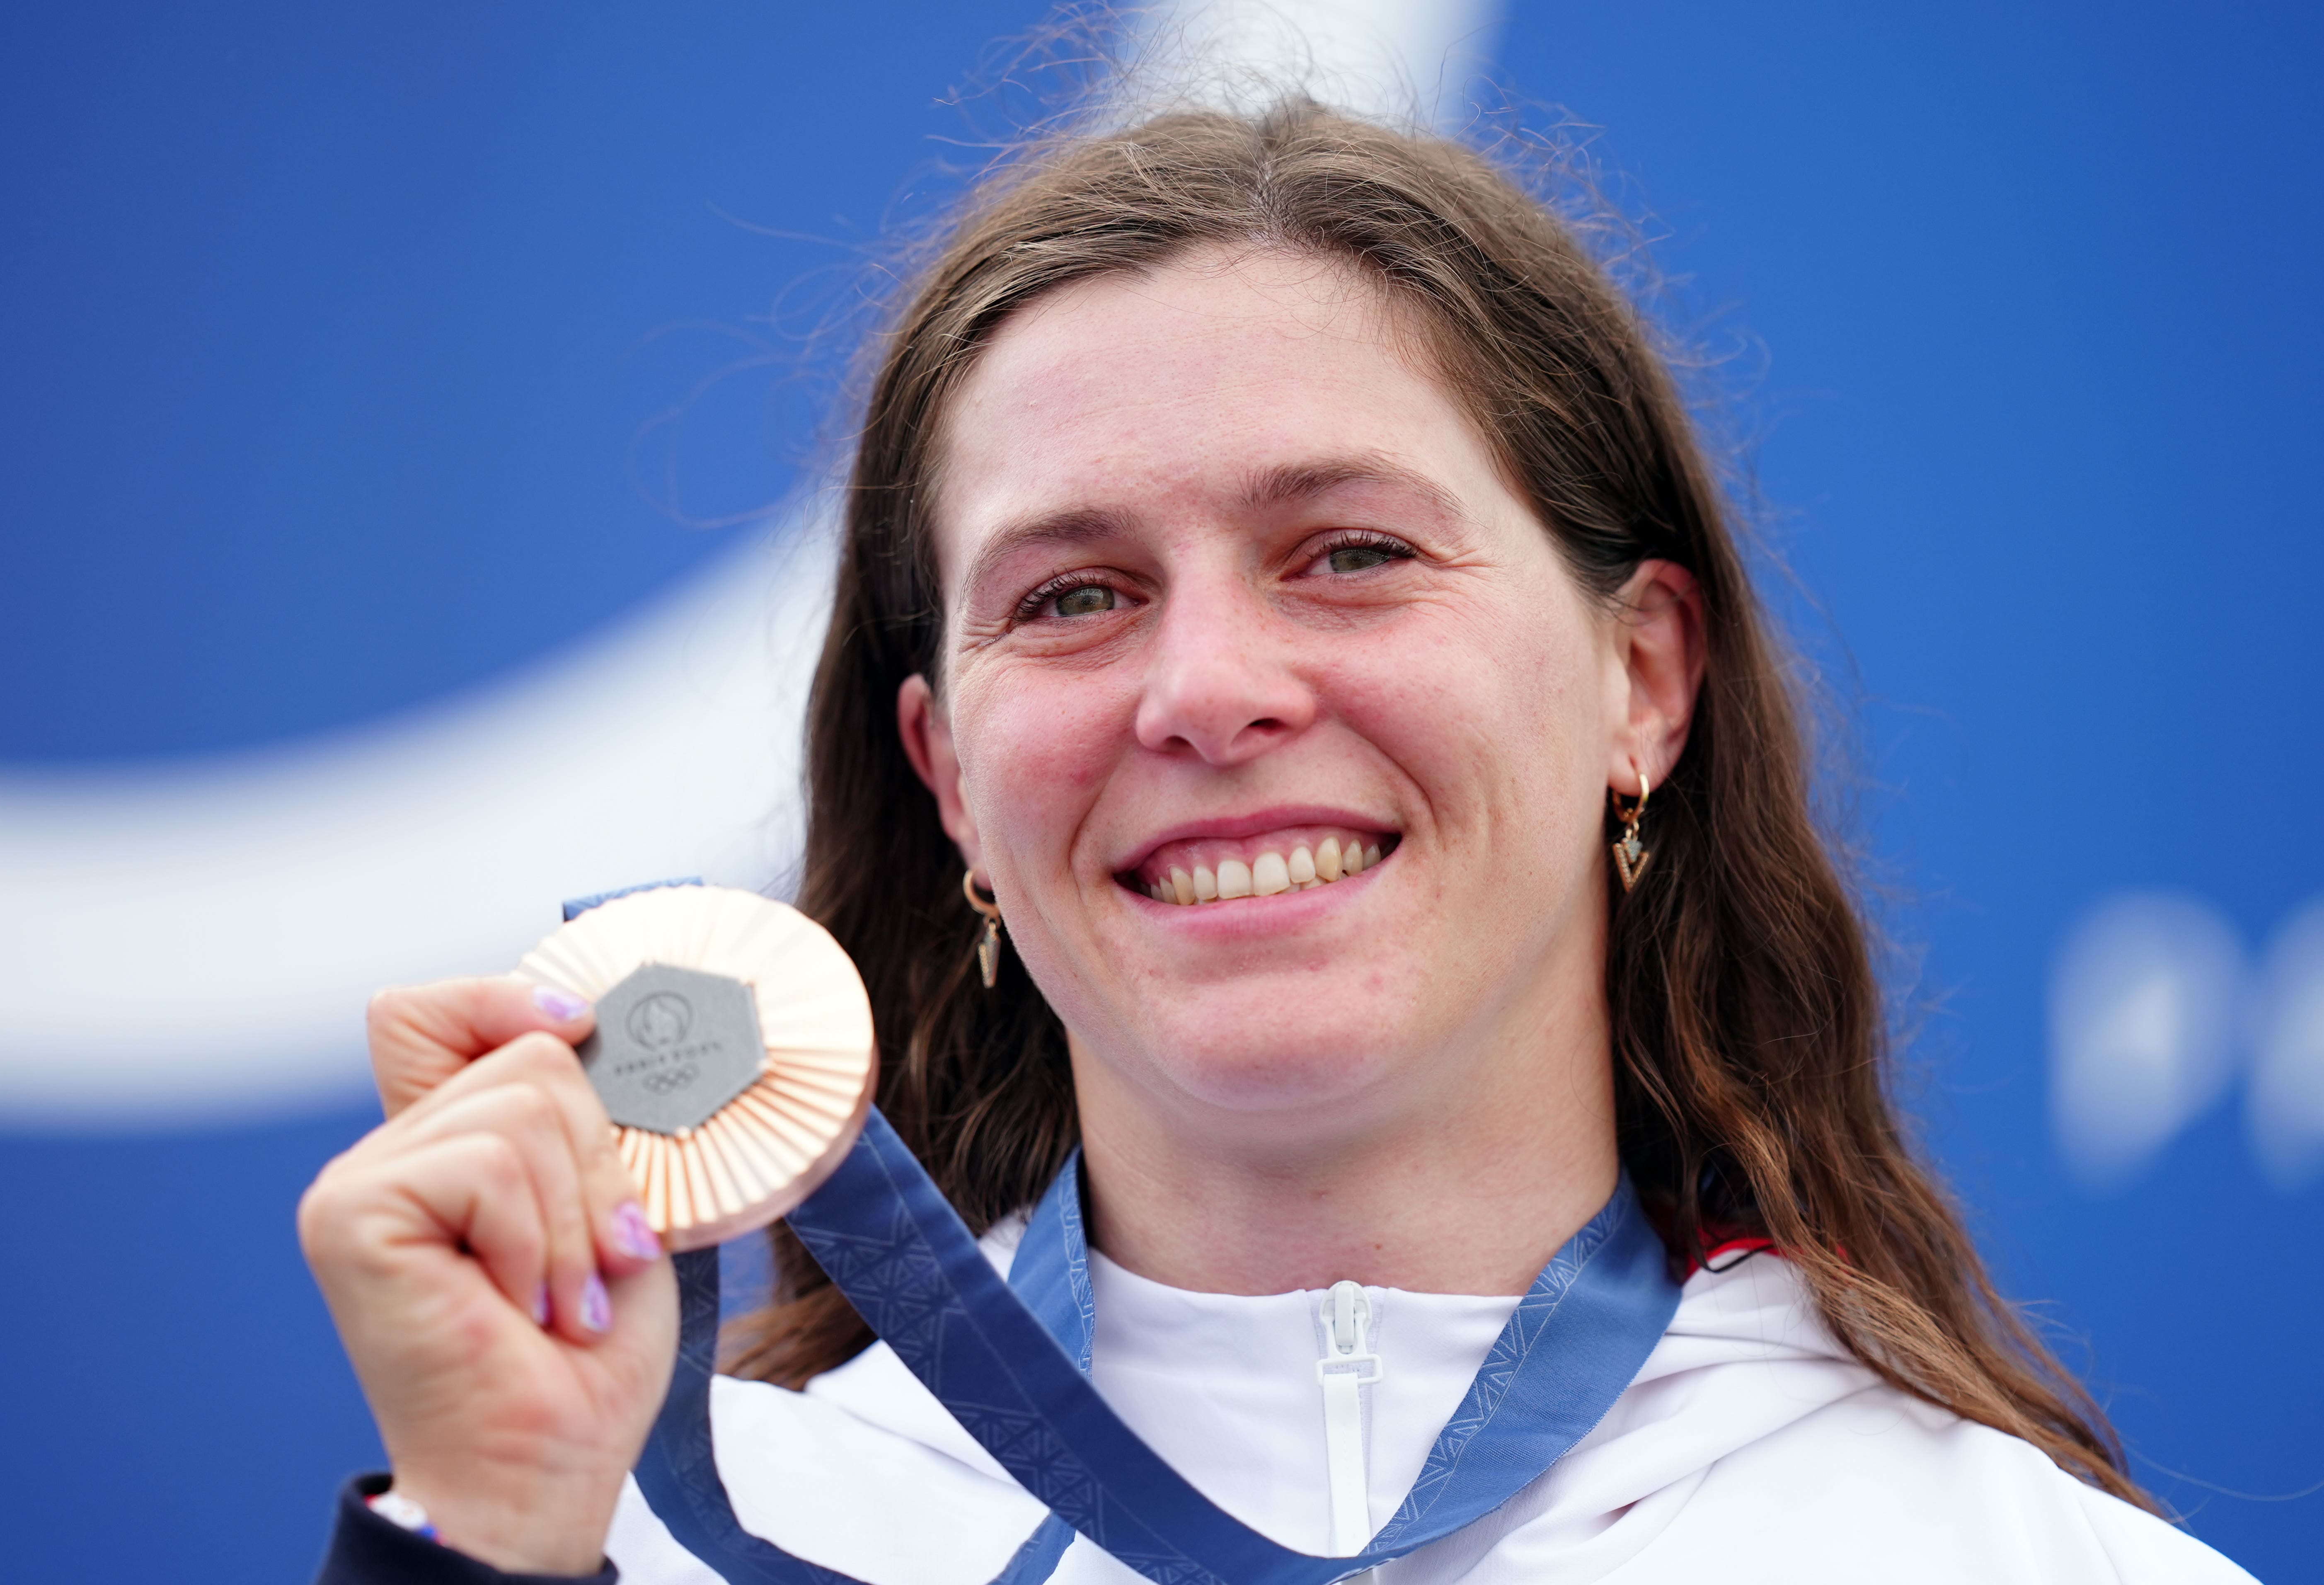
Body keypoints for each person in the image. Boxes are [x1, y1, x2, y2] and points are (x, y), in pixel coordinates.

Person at [298, 101, 2257, 1583]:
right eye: (1072, 594)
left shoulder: (2006, 1557)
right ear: (954, 778)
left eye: (1352, 553)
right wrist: (484, 1540)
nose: (1208, 689)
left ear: (1642, 677)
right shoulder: (658, 1533)